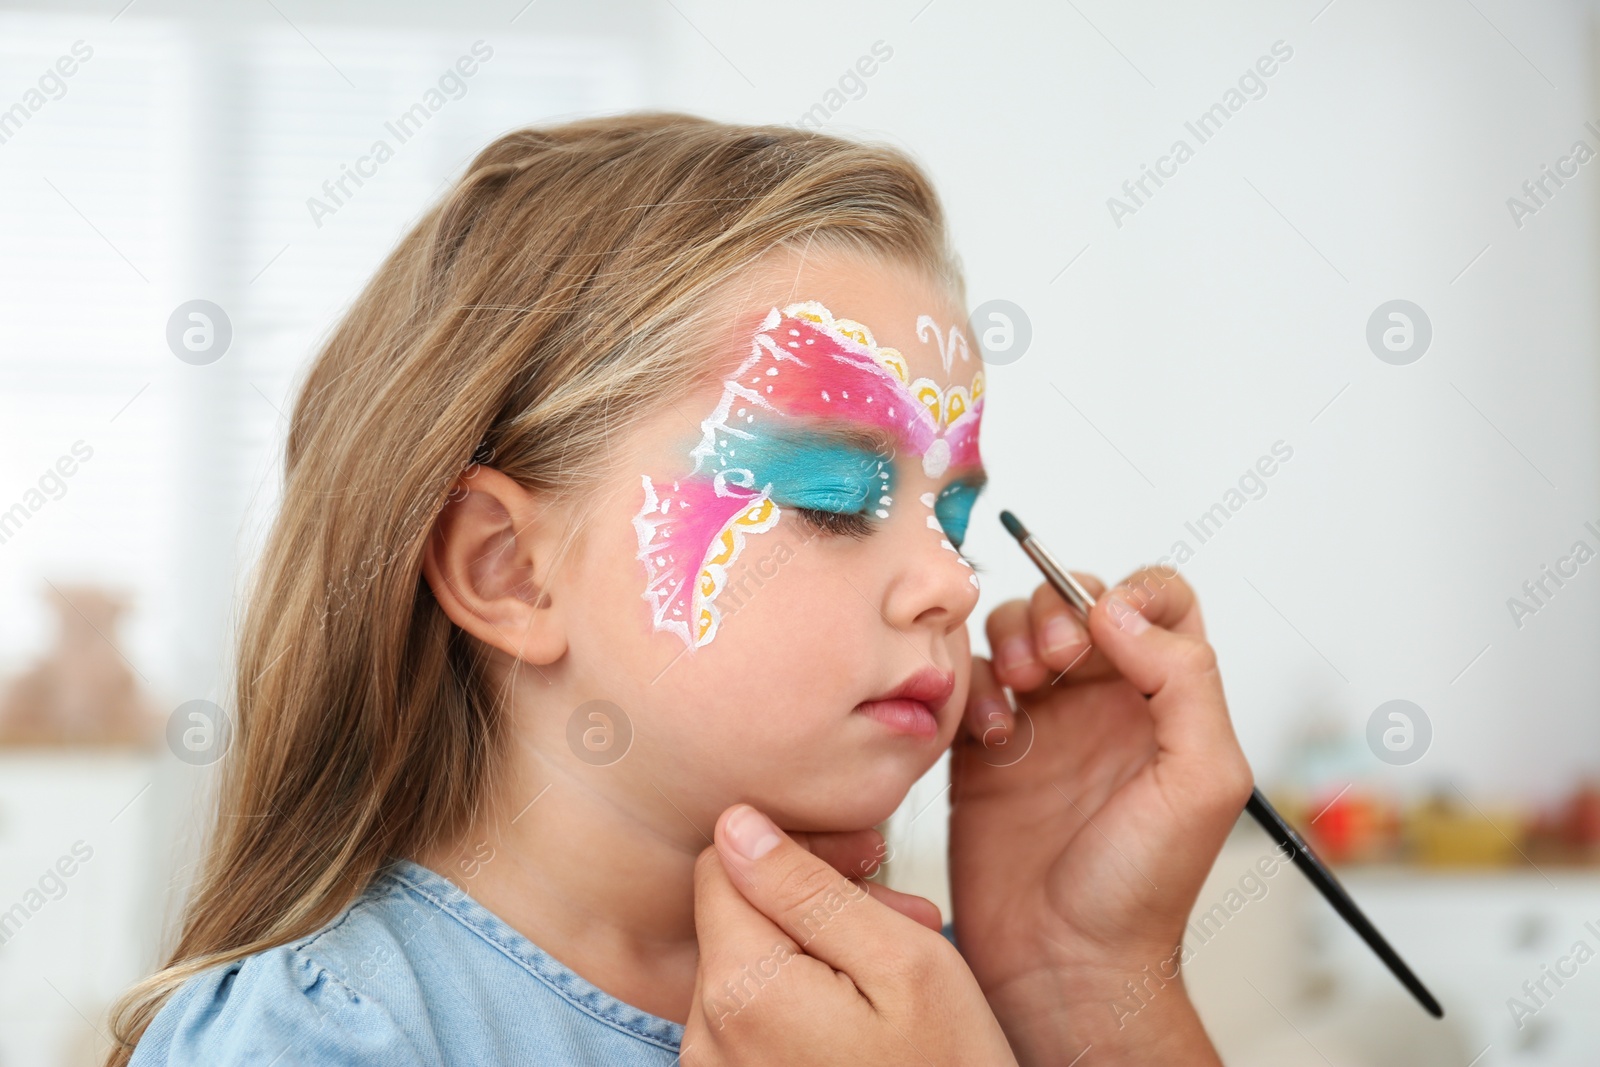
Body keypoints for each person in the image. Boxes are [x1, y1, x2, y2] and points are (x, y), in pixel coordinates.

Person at [109, 114, 1252, 1066]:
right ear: (507, 568)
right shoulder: (326, 1031)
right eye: (829, 496)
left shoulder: (920, 1012)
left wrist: (1086, 975)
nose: (950, 582)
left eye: (952, 518)